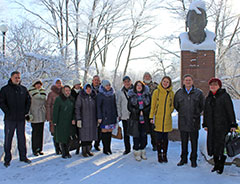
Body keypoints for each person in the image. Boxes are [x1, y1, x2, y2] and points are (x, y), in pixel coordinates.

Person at [203, 78, 237, 174]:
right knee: (213, 145)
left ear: (219, 86)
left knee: (221, 146)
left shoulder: (224, 96)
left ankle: (220, 165)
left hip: (222, 126)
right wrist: (205, 124)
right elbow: (206, 112)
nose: (213, 87)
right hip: (211, 126)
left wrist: (233, 124)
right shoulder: (208, 97)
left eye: (215, 85)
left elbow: (230, 111)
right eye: (211, 85)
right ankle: (216, 164)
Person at [0, 71, 31, 167]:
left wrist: (25, 112)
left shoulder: (23, 89)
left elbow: (28, 101)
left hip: (21, 118)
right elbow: (1, 102)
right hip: (10, 119)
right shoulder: (5, 89)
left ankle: (23, 156)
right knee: (8, 139)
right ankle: (7, 159)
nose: (17, 79)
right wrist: (8, 112)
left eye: (18, 77)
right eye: (15, 77)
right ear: (11, 78)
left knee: (22, 138)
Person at [174, 74, 205, 168]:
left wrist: (195, 113)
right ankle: (183, 159)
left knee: (194, 142)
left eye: (189, 80)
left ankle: (193, 160)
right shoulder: (179, 93)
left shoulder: (199, 93)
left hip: (194, 121)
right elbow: (176, 105)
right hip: (183, 121)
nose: (188, 81)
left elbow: (202, 106)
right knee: (184, 142)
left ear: (192, 81)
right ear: (183, 82)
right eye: (186, 80)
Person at [149, 76, 174, 163]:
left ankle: (165, 154)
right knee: (158, 138)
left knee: (165, 139)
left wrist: (169, 111)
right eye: (164, 81)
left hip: (167, 119)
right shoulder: (156, 92)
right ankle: (159, 154)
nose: (165, 83)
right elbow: (153, 105)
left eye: (167, 82)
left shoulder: (171, 93)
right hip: (158, 118)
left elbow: (172, 105)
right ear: (161, 82)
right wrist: (151, 116)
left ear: (169, 83)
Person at [128, 81, 151, 161]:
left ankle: (143, 150)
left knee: (144, 135)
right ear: (135, 86)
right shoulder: (132, 95)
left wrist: (144, 111)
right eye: (137, 85)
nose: (139, 87)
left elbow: (150, 105)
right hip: (135, 118)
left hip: (144, 118)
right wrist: (137, 111)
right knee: (136, 135)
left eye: (140, 85)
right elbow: (129, 107)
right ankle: (137, 151)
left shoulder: (147, 95)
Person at [53, 85, 76, 159]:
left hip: (69, 121)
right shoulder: (59, 99)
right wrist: (55, 121)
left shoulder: (72, 99)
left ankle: (68, 151)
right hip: (61, 121)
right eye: (66, 90)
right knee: (62, 137)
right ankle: (64, 152)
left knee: (68, 137)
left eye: (69, 90)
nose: (67, 92)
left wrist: (73, 118)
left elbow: (74, 111)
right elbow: (55, 111)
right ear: (63, 91)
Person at [75, 84, 98, 157]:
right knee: (84, 136)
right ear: (84, 89)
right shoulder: (80, 97)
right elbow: (77, 108)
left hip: (92, 119)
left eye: (90, 89)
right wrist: (78, 119)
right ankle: (84, 151)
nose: (88, 90)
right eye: (87, 89)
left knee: (91, 135)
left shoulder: (93, 97)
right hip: (84, 119)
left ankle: (89, 150)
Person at [97, 80, 118, 155]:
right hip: (104, 116)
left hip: (111, 116)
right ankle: (105, 149)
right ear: (103, 86)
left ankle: (109, 148)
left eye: (109, 85)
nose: (108, 87)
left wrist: (116, 115)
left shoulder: (112, 94)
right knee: (104, 132)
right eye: (106, 85)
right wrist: (99, 117)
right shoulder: (100, 95)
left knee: (109, 132)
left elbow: (115, 105)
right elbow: (98, 107)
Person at [28, 79, 47, 156]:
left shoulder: (43, 92)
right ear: (34, 85)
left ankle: (40, 148)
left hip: (41, 114)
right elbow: (28, 104)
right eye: (37, 84)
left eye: (40, 84)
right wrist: (28, 114)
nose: (38, 85)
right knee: (35, 132)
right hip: (34, 114)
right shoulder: (30, 93)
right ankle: (34, 149)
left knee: (40, 132)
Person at [117, 76, 133, 155]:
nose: (127, 83)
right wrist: (119, 114)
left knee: (135, 132)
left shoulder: (135, 90)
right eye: (125, 82)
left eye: (128, 81)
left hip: (134, 115)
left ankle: (137, 147)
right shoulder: (120, 92)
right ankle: (127, 148)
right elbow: (118, 104)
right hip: (124, 115)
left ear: (130, 81)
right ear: (123, 83)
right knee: (126, 133)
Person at [46, 78, 63, 155]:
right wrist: (49, 117)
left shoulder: (63, 92)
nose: (59, 84)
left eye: (60, 83)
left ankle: (62, 147)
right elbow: (48, 105)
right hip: (54, 115)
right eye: (57, 83)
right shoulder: (51, 94)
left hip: (62, 115)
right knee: (55, 132)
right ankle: (57, 148)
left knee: (62, 132)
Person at [143, 72, 158, 151]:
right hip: (144, 110)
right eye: (145, 76)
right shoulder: (141, 86)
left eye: (148, 76)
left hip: (153, 110)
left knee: (153, 129)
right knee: (144, 128)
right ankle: (144, 144)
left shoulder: (155, 86)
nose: (147, 77)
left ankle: (155, 144)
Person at [71, 79, 82, 154]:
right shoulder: (71, 93)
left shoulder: (82, 91)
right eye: (76, 84)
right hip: (74, 112)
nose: (78, 86)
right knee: (76, 131)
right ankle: (76, 146)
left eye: (79, 84)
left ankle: (83, 145)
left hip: (82, 113)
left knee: (82, 131)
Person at [91, 75, 102, 151]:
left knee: (99, 130)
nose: (96, 81)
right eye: (95, 80)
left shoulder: (102, 89)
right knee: (91, 129)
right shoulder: (88, 89)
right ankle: (89, 144)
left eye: (98, 80)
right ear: (92, 81)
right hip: (91, 111)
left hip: (100, 111)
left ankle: (97, 144)